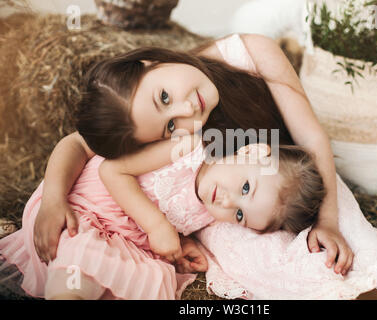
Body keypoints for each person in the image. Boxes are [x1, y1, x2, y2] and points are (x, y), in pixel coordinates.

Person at [33, 33, 353, 277]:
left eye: (164, 96)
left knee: (344, 243)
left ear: (149, 63)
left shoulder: (248, 53)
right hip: (101, 212)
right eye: (172, 125)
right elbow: (78, 145)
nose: (187, 109)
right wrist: (53, 200)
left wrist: (328, 220)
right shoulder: (169, 135)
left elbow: (311, 137)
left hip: (284, 174)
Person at [0, 137, 326, 299]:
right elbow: (113, 169)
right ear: (253, 151)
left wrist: (182, 243)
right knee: (81, 256)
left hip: (114, 238)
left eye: (239, 215)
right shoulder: (189, 147)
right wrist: (158, 226)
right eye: (245, 186)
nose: (227, 202)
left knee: (143, 279)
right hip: (79, 210)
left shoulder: (210, 214)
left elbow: (173, 219)